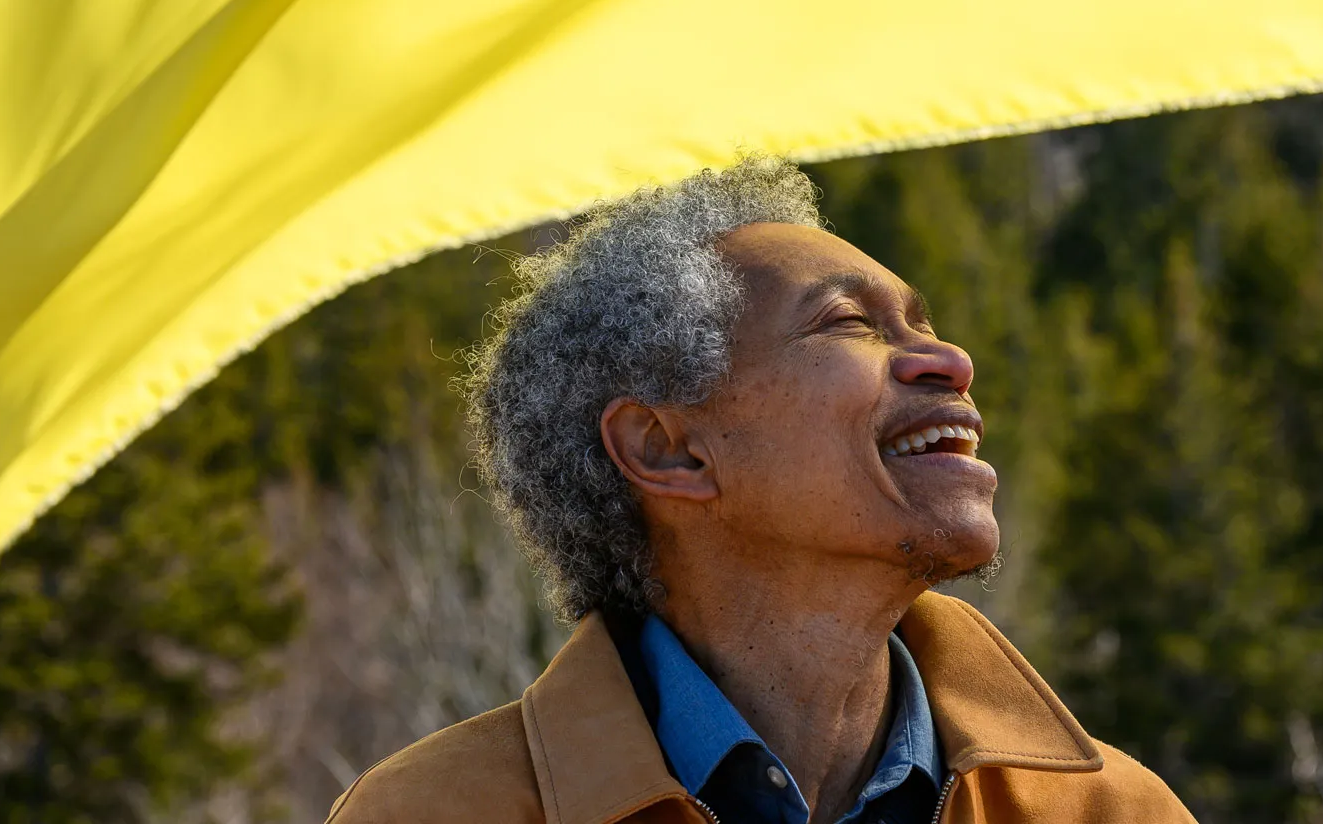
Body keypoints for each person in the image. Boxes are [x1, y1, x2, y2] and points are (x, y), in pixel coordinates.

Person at [328, 156, 1196, 824]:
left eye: (924, 325)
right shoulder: (436, 810)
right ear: (667, 450)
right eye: (848, 323)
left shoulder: (1115, 810)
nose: (952, 361)